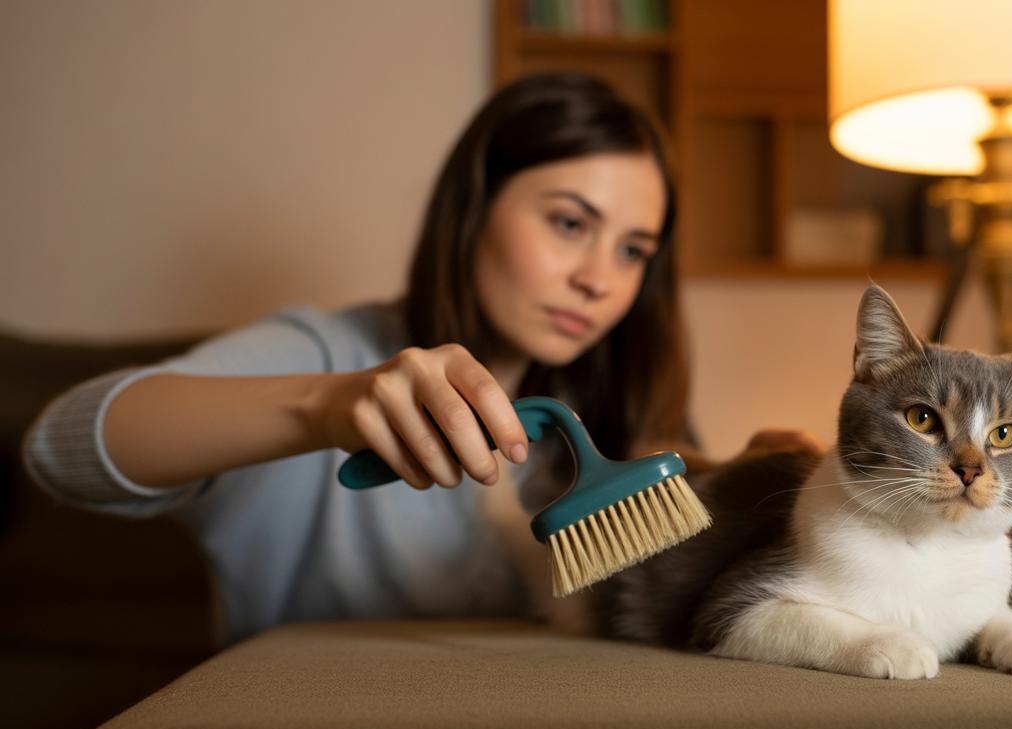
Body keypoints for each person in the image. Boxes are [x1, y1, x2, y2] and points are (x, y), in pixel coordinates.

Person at [23, 72, 820, 646]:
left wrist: (736, 493)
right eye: (570, 224)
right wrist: (324, 407)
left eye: (633, 249)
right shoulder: (329, 355)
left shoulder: (611, 410)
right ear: (472, 210)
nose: (600, 278)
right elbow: (61, 447)